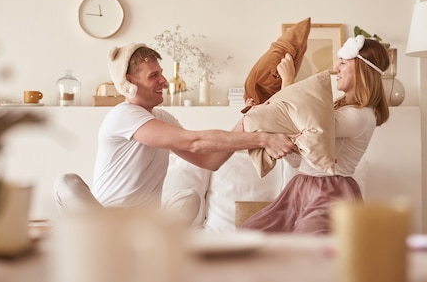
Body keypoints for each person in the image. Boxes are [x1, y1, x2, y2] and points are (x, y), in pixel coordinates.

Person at [55, 43, 296, 217]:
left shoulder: (162, 117)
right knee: (66, 182)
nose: (164, 81)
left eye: (161, 73)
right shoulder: (123, 115)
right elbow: (195, 142)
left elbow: (209, 159)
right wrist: (262, 139)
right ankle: (103, 238)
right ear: (130, 82)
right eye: (154, 75)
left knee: (189, 199)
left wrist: (246, 122)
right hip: (107, 223)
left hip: (145, 229)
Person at [239, 35, 390, 234]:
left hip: (330, 192)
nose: (337, 68)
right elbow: (296, 159)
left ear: (362, 70)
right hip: (302, 187)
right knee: (252, 233)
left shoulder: (359, 116)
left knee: (310, 239)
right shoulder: (336, 111)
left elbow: (296, 121)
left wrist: (288, 82)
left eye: (343, 63)